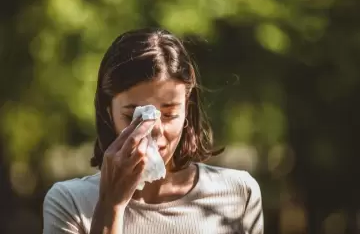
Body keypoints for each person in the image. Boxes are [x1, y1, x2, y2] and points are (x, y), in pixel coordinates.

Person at [42, 28, 264, 234]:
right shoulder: (70, 203)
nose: (154, 132)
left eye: (168, 115)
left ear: (188, 108)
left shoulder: (238, 193)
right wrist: (110, 206)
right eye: (134, 117)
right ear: (108, 111)